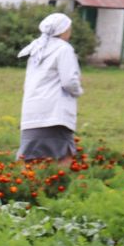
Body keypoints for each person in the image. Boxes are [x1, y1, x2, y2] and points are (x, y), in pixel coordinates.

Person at [17, 12, 82, 160]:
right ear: (63, 31)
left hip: (32, 112)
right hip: (54, 113)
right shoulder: (63, 49)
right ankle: (61, 183)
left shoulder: (36, 48)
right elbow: (68, 81)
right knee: (65, 155)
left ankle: (25, 183)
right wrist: (78, 90)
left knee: (28, 157)